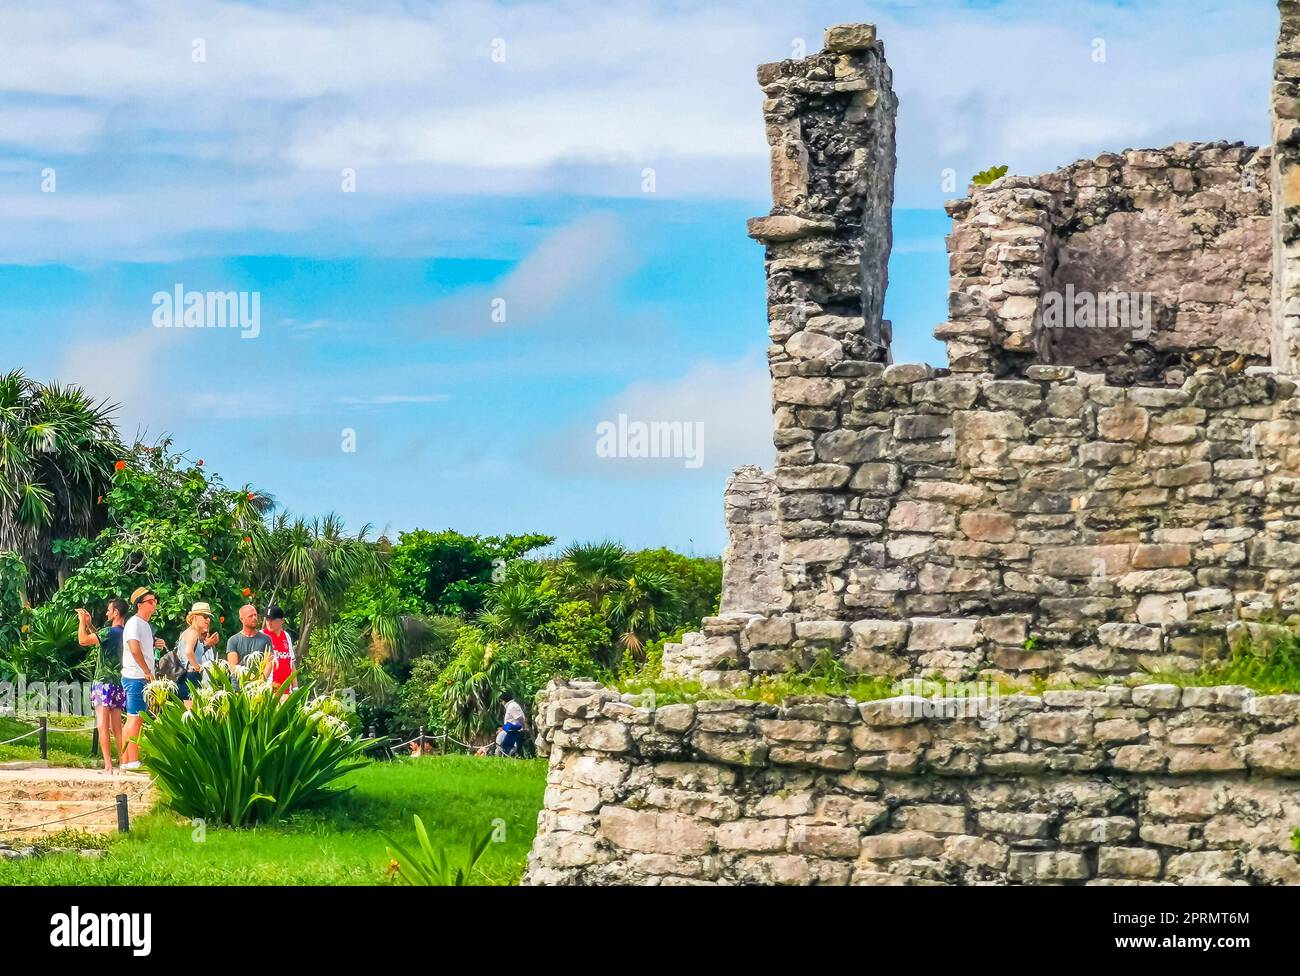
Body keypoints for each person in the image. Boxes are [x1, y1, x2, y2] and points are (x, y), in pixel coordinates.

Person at [76, 598, 128, 774]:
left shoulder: (108, 631)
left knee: (102, 725)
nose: (107, 613)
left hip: (103, 683)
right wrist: (91, 626)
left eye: (109, 610)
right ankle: (123, 763)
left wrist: (82, 623)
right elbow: (101, 639)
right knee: (117, 727)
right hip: (118, 683)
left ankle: (108, 766)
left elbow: (83, 640)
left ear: (116, 613)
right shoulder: (124, 632)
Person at [120, 586, 166, 770]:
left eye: (155, 600)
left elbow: (143, 647)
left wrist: (155, 644)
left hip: (139, 676)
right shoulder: (134, 623)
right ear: (139, 605)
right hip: (135, 677)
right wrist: (147, 671)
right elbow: (134, 648)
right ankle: (132, 760)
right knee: (135, 717)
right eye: (150, 601)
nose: (154, 604)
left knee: (135, 718)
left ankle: (126, 760)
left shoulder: (144, 625)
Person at [174, 602, 219, 709]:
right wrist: (197, 667)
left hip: (188, 675)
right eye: (205, 616)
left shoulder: (189, 633)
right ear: (194, 617)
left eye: (209, 617)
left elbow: (193, 652)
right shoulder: (193, 632)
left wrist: (207, 646)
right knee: (192, 712)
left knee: (192, 710)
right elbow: (189, 652)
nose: (208, 620)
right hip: (191, 675)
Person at [224, 603, 271, 673]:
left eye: (255, 615)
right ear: (242, 619)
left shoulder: (266, 639)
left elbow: (269, 662)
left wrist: (261, 680)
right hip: (239, 682)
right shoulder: (233, 640)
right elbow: (233, 666)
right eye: (250, 616)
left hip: (259, 682)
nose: (254, 618)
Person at [261, 605, 297, 695]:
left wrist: (295, 687)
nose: (269, 623)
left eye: (273, 620)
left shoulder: (286, 636)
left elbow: (291, 662)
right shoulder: (261, 636)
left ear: (282, 621)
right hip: (268, 690)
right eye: (267, 619)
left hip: (286, 691)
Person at [495, 692, 526, 757]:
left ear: (505, 700)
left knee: (509, 749)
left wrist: (523, 727)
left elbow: (519, 718)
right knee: (503, 747)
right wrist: (503, 728)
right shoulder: (511, 706)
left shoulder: (512, 706)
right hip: (510, 730)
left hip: (514, 731)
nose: (501, 703)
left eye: (501, 701)